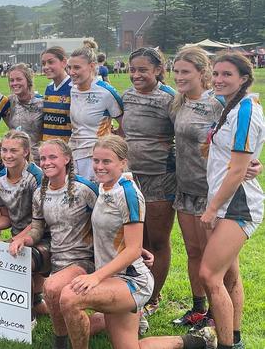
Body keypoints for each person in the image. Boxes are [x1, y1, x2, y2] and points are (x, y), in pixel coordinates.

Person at [60, 135, 153, 349]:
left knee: (70, 298)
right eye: (96, 160)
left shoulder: (127, 193)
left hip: (131, 280)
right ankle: (197, 340)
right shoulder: (104, 186)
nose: (99, 167)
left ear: (123, 162)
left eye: (106, 162)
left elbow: (132, 249)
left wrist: (95, 276)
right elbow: (118, 233)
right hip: (112, 276)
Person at [198, 52, 263, 349]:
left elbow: (238, 169)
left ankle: (227, 345)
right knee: (229, 275)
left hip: (236, 204)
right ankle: (234, 338)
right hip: (223, 199)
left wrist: (211, 210)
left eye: (227, 75)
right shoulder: (230, 108)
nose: (219, 79)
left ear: (244, 79)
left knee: (210, 275)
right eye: (217, 73)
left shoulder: (247, 109)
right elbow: (218, 155)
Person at [9, 139, 97, 349]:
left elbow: (108, 222)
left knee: (52, 287)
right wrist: (23, 239)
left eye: (53, 157)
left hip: (85, 259)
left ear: (67, 159)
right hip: (57, 257)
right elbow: (38, 228)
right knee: (65, 306)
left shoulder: (84, 189)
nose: (46, 162)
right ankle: (91, 325)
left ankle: (60, 343)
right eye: (43, 158)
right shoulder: (41, 192)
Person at [121, 47, 176, 317]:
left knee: (158, 240)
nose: (136, 75)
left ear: (157, 70)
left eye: (143, 69)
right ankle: (139, 289)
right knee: (137, 240)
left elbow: (188, 133)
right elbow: (120, 131)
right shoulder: (127, 96)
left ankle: (153, 298)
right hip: (132, 177)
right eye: (133, 69)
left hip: (160, 177)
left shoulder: (170, 98)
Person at [170, 47, 223, 327]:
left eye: (185, 72)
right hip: (184, 188)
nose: (179, 76)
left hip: (209, 191)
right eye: (176, 71)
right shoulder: (177, 102)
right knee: (192, 251)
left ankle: (216, 315)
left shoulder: (217, 103)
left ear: (202, 73)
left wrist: (253, 165)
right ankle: (198, 308)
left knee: (210, 259)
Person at [0, 130, 45, 324]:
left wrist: (16, 239)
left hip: (43, 232)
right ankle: (34, 303)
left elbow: (40, 219)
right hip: (18, 233)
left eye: (14, 151)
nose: (8, 155)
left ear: (26, 152)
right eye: (4, 150)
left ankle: (29, 317)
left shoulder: (36, 177)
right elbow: (6, 218)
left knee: (20, 259)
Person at [68, 40, 123, 182]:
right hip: (74, 154)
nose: (71, 72)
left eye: (77, 68)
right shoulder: (73, 89)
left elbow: (124, 124)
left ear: (91, 66)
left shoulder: (105, 91)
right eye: (70, 68)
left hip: (96, 158)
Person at [4, 64, 43, 164]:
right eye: (12, 80)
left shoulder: (41, 103)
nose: (14, 83)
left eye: (19, 79)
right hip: (15, 159)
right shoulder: (9, 102)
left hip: (37, 160)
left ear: (28, 80)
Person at [41, 46, 72, 143]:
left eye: (50, 62)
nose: (46, 67)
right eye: (43, 63)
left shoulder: (74, 88)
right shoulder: (49, 88)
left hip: (67, 150)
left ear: (64, 62)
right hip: (49, 149)